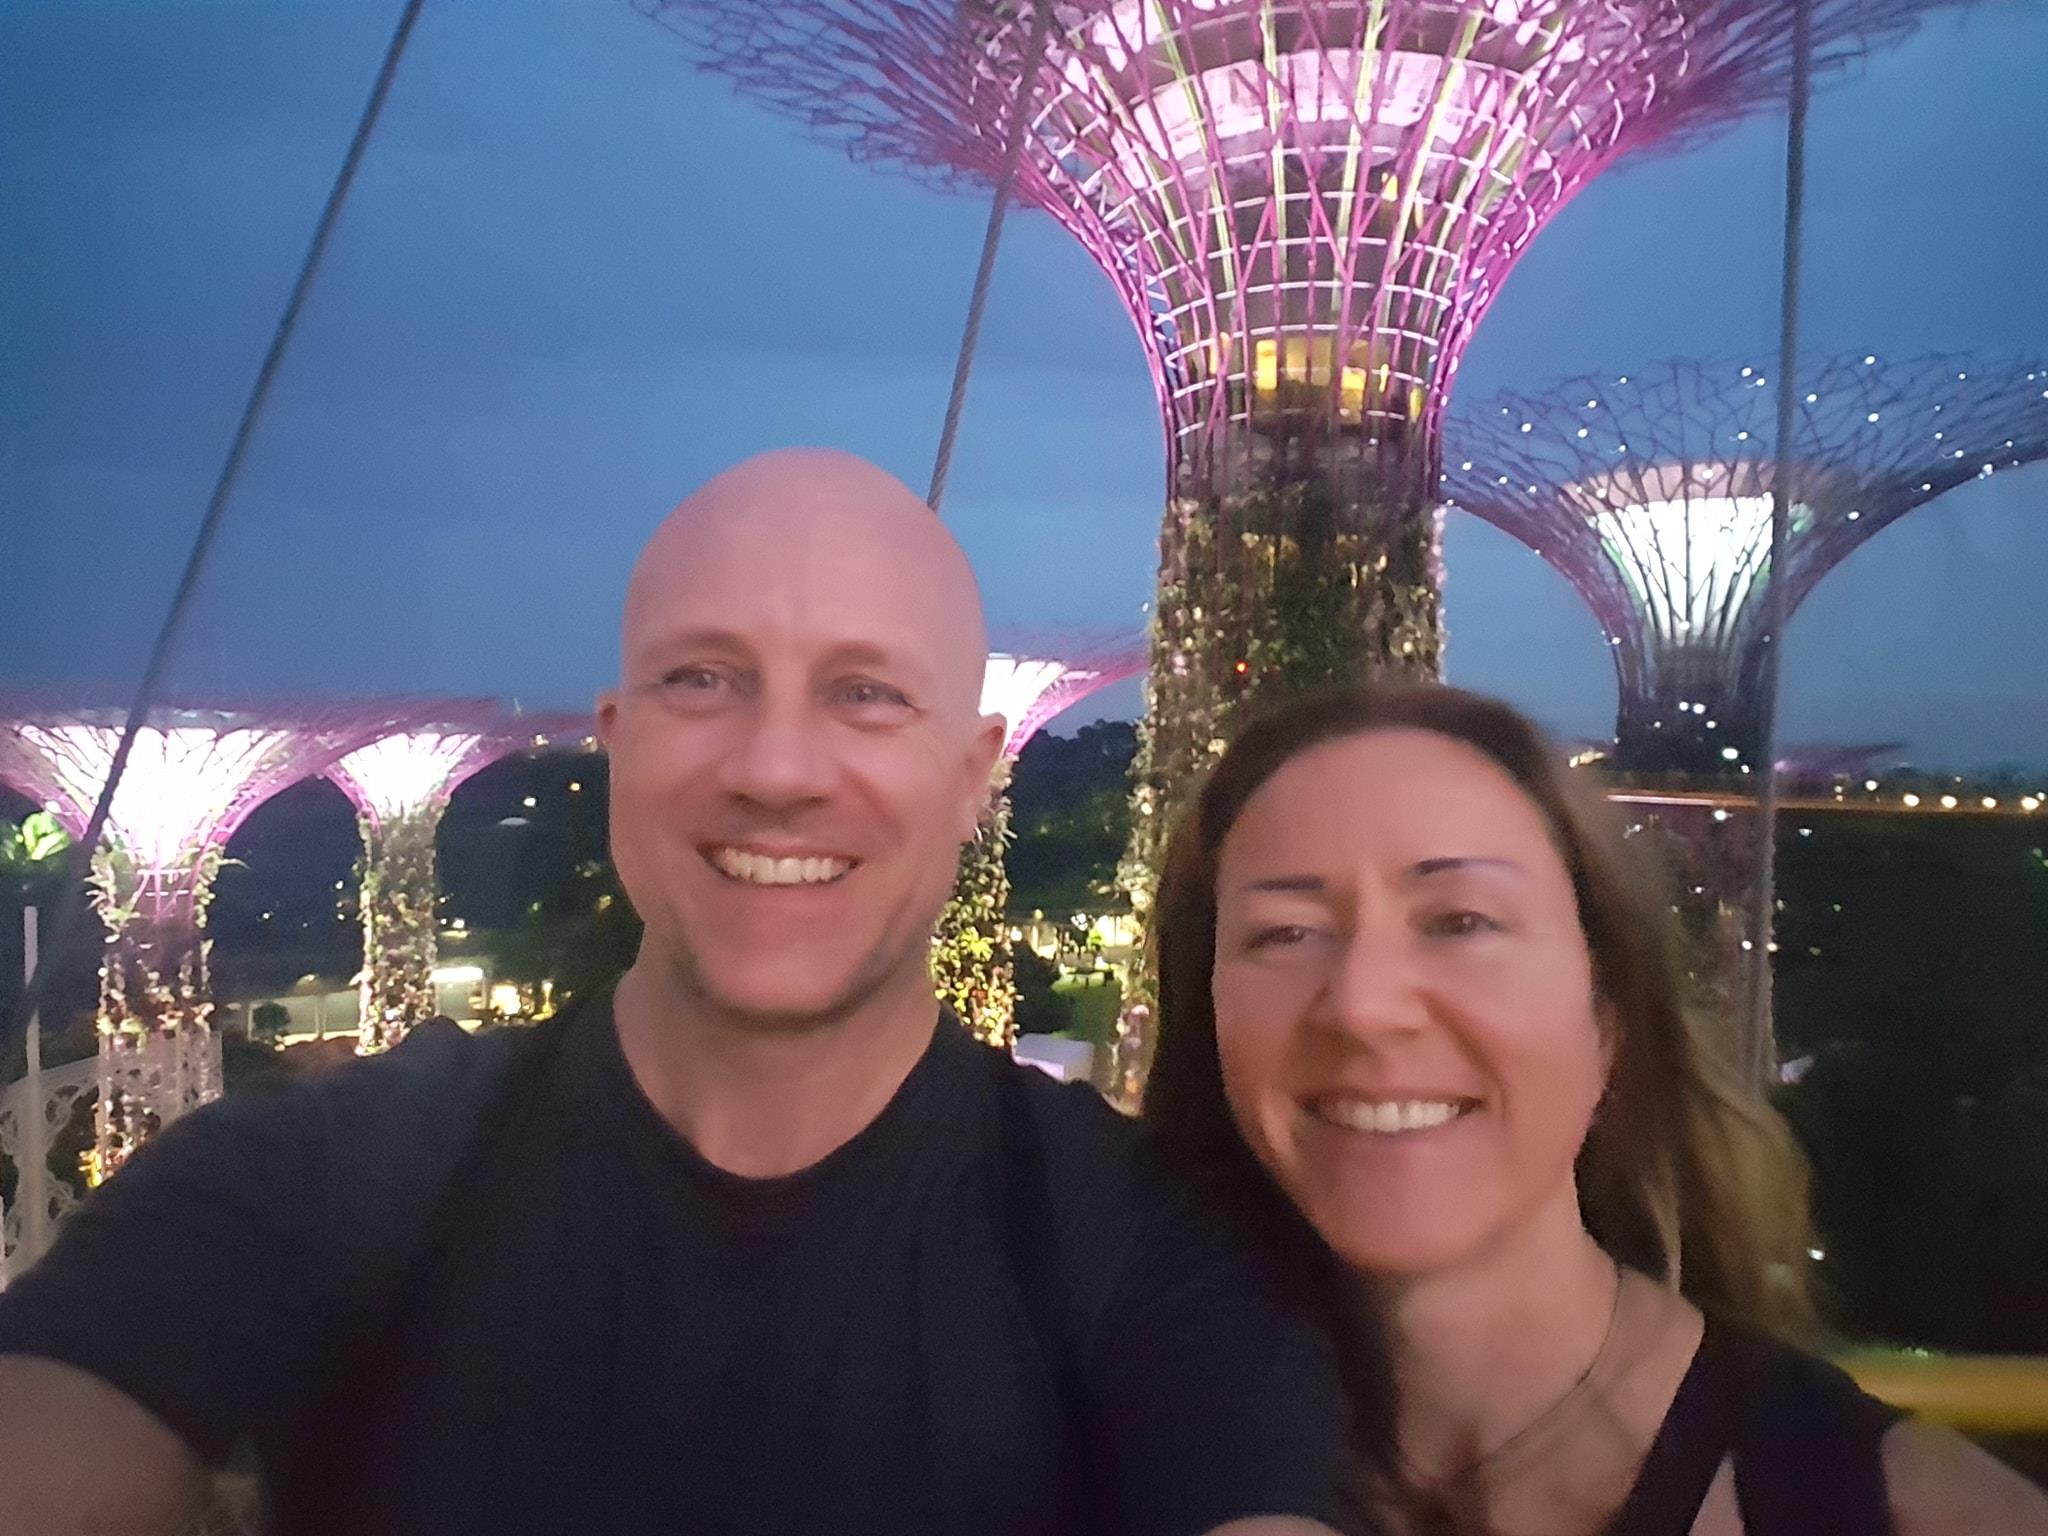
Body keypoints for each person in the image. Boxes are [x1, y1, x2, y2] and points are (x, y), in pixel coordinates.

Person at [0, 450, 1357, 1536]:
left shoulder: (1154, 1250)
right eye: (703, 679)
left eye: (867, 694)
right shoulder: (329, 1176)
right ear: (617, 740)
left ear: (976, 775)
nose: (776, 766)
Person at [1141, 682, 2048, 1536]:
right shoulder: (1102, 1463)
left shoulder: (1904, 1511)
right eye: (1284, 933)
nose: (1365, 1004)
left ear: (1608, 1020)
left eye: (1460, 921)